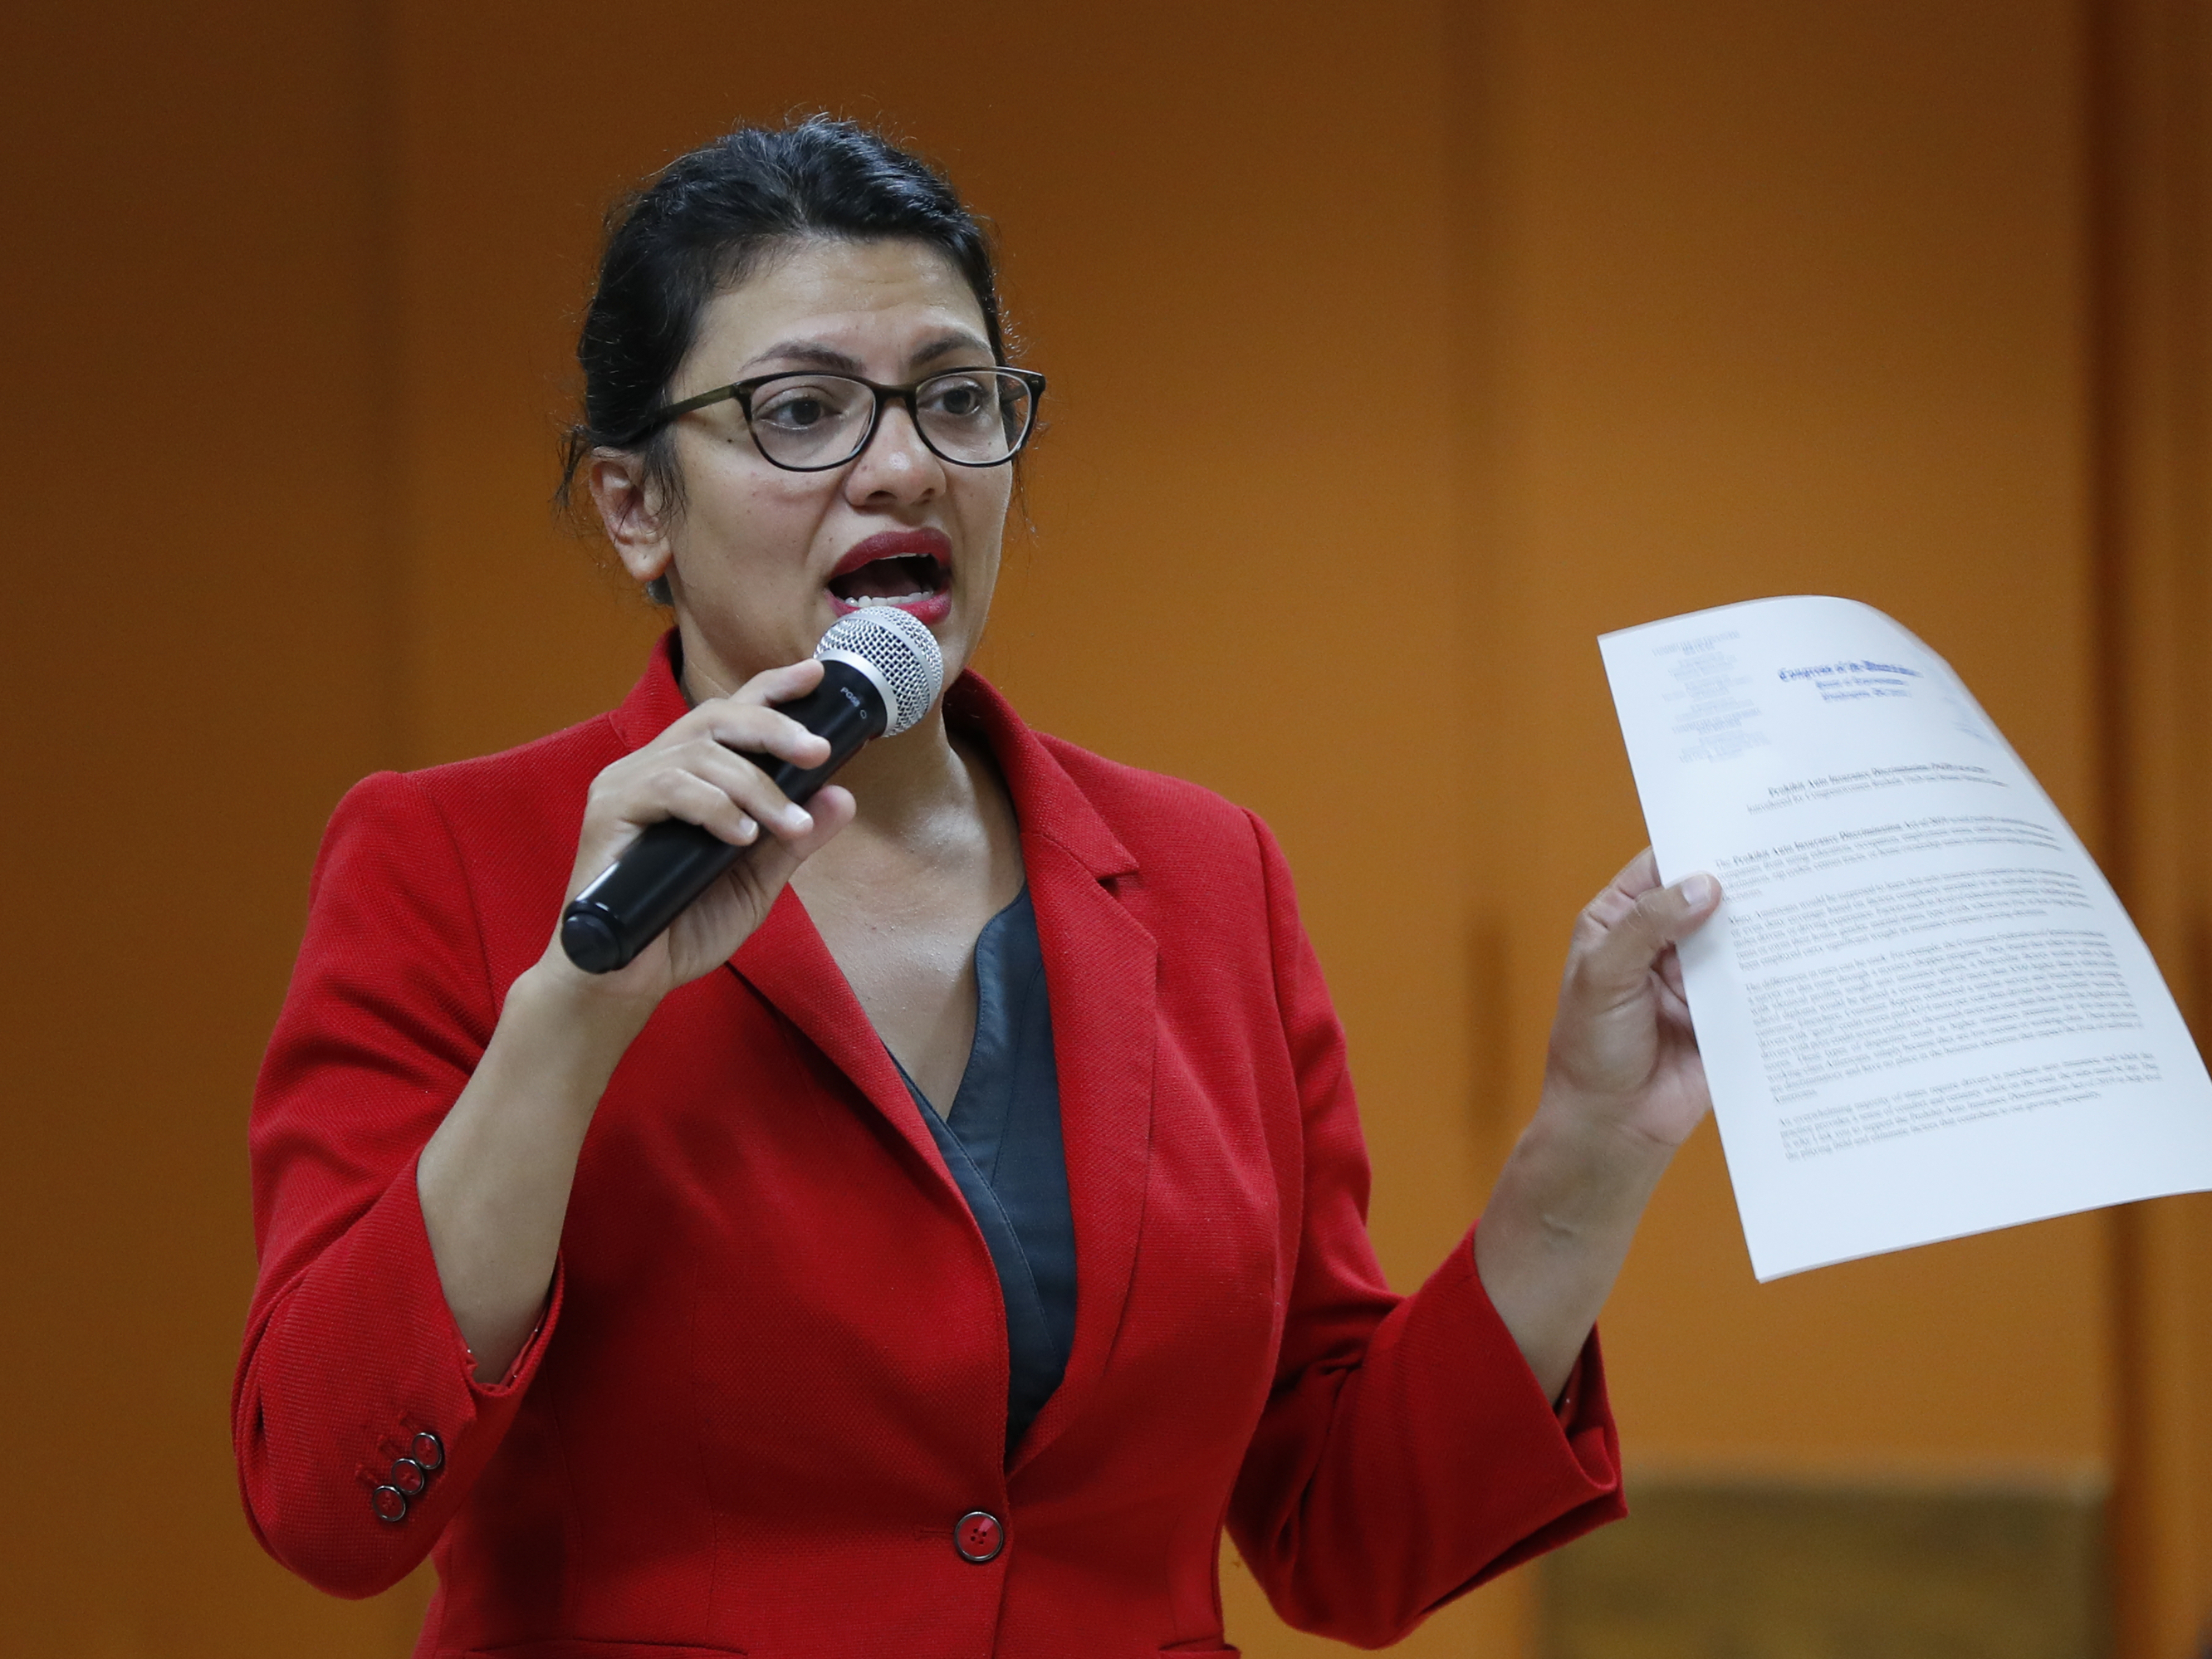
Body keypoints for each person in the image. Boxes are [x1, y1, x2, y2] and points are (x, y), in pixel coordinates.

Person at [232, 117, 1722, 1657]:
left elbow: (1342, 1534)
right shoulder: (454, 862)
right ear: (637, 508)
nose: (903, 466)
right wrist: (570, 1015)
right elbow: (331, 1501)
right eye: (802, 411)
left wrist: (1590, 1149)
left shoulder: (1211, 877)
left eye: (956, 399)